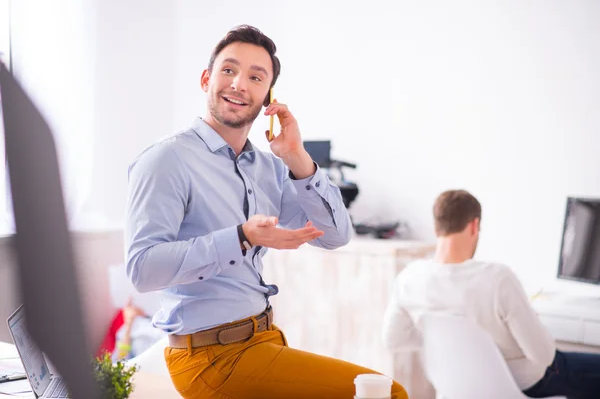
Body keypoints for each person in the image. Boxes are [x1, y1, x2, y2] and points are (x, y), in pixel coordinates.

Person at [125, 25, 408, 399]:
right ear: (206, 79)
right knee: (388, 393)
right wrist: (241, 237)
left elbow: (337, 235)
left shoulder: (268, 169)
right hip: (211, 357)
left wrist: (297, 158)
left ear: (268, 99)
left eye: (256, 77)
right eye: (228, 70)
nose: (240, 84)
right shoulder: (167, 160)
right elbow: (142, 269)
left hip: (263, 338)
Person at [382, 189, 600, 398]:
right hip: (526, 385)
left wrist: (453, 344)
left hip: (458, 384)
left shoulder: (409, 278)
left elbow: (393, 340)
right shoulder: (498, 279)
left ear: (437, 226)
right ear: (474, 225)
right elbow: (543, 356)